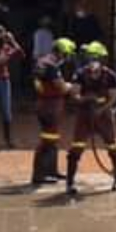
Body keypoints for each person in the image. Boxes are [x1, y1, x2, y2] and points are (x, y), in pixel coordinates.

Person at [67, 41, 116, 194]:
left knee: (114, 147)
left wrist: (101, 109)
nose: (93, 62)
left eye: (96, 58)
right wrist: (84, 99)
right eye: (90, 58)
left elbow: (113, 97)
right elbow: (74, 93)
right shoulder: (80, 74)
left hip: (104, 115)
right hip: (84, 115)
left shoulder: (110, 76)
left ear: (103, 59)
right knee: (76, 147)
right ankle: (69, 183)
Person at [30, 37, 76, 186]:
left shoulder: (43, 62)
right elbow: (61, 87)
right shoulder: (51, 66)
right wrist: (71, 87)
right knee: (47, 140)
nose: (68, 57)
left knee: (53, 139)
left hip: (44, 104)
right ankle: (39, 176)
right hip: (50, 106)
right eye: (67, 54)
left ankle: (51, 171)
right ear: (62, 52)